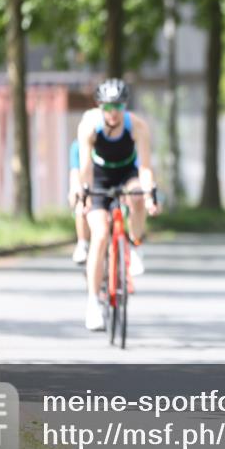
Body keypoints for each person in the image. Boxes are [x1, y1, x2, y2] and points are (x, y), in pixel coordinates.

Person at [76, 78, 160, 331]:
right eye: (108, 107)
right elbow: (85, 168)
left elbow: (144, 167)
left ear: (125, 107)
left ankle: (135, 245)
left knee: (136, 196)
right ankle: (92, 304)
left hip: (127, 173)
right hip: (100, 176)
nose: (113, 113)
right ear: (100, 107)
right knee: (100, 235)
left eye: (118, 107)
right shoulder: (90, 126)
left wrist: (148, 196)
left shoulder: (137, 126)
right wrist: (85, 197)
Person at [68, 139, 91, 264]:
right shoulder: (77, 146)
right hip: (88, 188)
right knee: (81, 206)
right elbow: (75, 172)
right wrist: (75, 190)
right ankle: (82, 243)